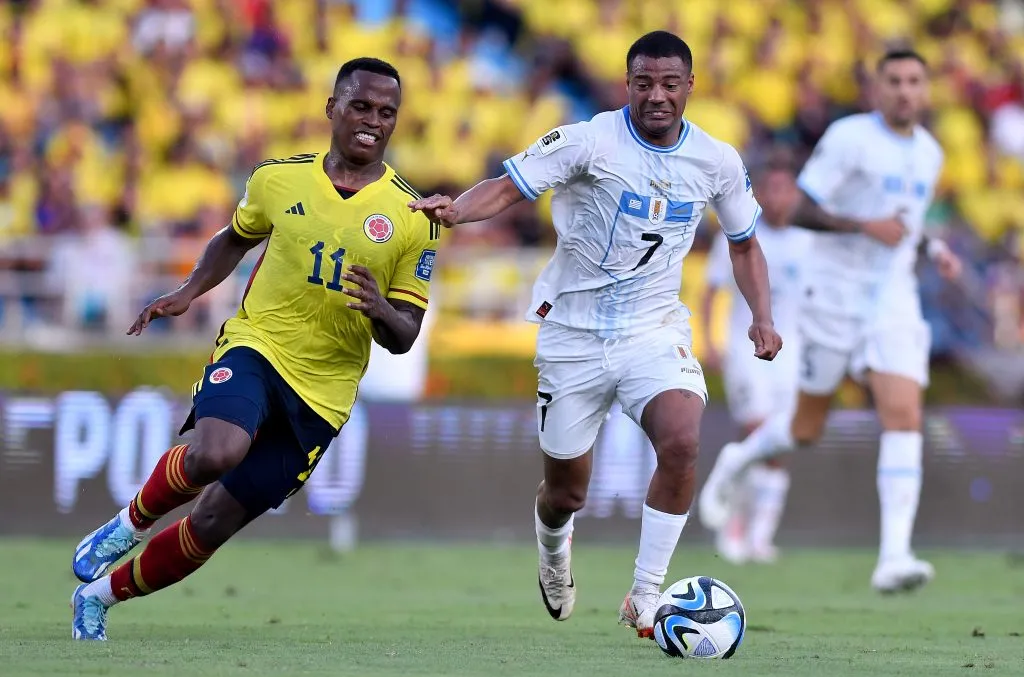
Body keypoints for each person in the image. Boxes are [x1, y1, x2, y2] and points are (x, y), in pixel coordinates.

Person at [410, 30, 782, 639]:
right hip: (573, 337)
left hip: (652, 329)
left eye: (669, 84)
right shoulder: (588, 141)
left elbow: (745, 245)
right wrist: (459, 211)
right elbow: (508, 185)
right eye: (643, 83)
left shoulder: (717, 161)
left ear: (690, 86)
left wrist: (761, 317)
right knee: (566, 493)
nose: (656, 95)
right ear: (626, 84)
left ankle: (644, 594)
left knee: (683, 440)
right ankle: (554, 549)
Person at [70, 57, 441, 640]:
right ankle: (127, 524)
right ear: (332, 108)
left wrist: (381, 311)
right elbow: (235, 237)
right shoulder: (278, 178)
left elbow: (406, 335)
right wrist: (188, 292)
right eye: (361, 106)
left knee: (214, 520)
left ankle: (97, 597)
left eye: (387, 112)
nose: (373, 121)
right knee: (216, 451)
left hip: (322, 394)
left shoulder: (414, 217)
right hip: (258, 345)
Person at [698, 49, 963, 593]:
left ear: (927, 89)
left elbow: (904, 228)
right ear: (877, 88)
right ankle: (739, 458)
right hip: (833, 294)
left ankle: (893, 556)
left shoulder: (931, 153)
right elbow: (801, 209)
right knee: (805, 428)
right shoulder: (849, 138)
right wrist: (864, 226)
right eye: (895, 81)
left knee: (903, 413)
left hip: (892, 296)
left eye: (915, 81)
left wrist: (933, 248)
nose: (905, 91)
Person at [699, 165, 810, 565]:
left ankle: (761, 536)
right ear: (761, 192)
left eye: (787, 188)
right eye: (774, 188)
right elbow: (710, 290)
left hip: (794, 354)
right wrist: (709, 339)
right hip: (745, 348)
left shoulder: (808, 241)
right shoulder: (741, 231)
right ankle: (733, 527)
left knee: (780, 441)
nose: (781, 197)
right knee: (755, 429)